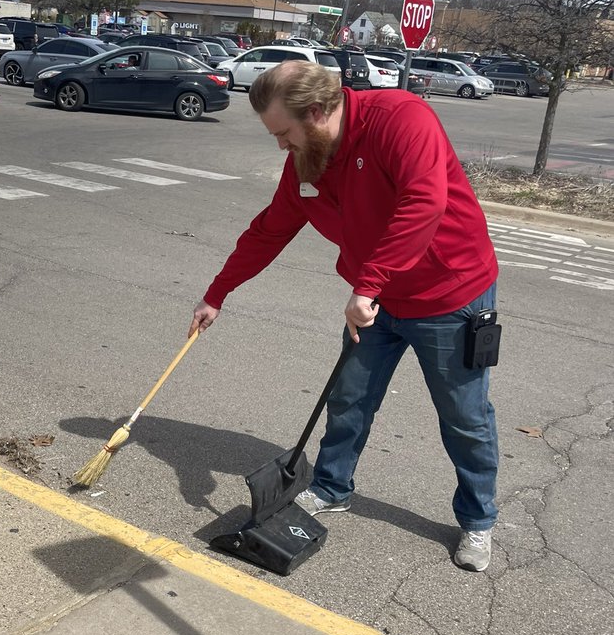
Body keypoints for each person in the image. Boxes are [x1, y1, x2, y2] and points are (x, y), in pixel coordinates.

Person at [190, 60, 500, 572]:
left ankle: (478, 519)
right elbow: (270, 230)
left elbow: (423, 203)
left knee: (464, 417)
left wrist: (369, 283)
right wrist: (217, 294)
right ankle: (332, 487)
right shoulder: (307, 160)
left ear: (316, 112)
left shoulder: (401, 119)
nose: (281, 146)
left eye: (284, 133)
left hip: (449, 295)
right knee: (350, 398)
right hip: (373, 300)